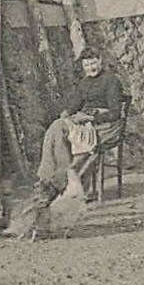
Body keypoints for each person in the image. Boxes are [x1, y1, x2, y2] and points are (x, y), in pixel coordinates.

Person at [37, 48, 126, 202]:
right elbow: (75, 104)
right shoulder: (84, 83)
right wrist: (67, 113)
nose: (91, 68)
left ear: (100, 60)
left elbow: (115, 113)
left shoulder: (111, 80)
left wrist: (91, 118)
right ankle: (48, 179)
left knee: (75, 139)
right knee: (56, 128)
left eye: (93, 63)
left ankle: (61, 184)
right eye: (86, 65)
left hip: (107, 125)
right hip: (86, 120)